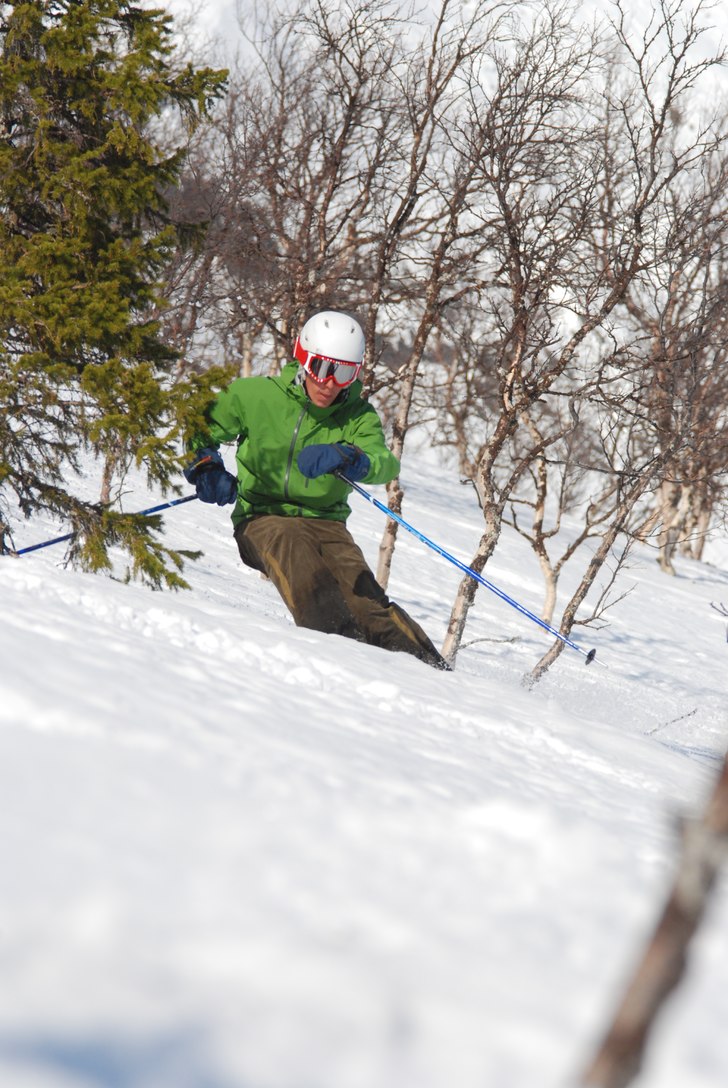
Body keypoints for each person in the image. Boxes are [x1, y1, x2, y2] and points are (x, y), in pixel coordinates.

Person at [185, 309, 450, 670]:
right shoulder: (254, 396)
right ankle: (342, 659)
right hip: (262, 516)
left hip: (327, 524)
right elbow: (198, 429)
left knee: (367, 602)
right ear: (302, 357)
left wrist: (349, 456)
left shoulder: (357, 416)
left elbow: (384, 462)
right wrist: (206, 466)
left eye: (344, 373)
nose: (329, 383)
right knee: (303, 563)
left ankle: (434, 675)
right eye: (321, 367)